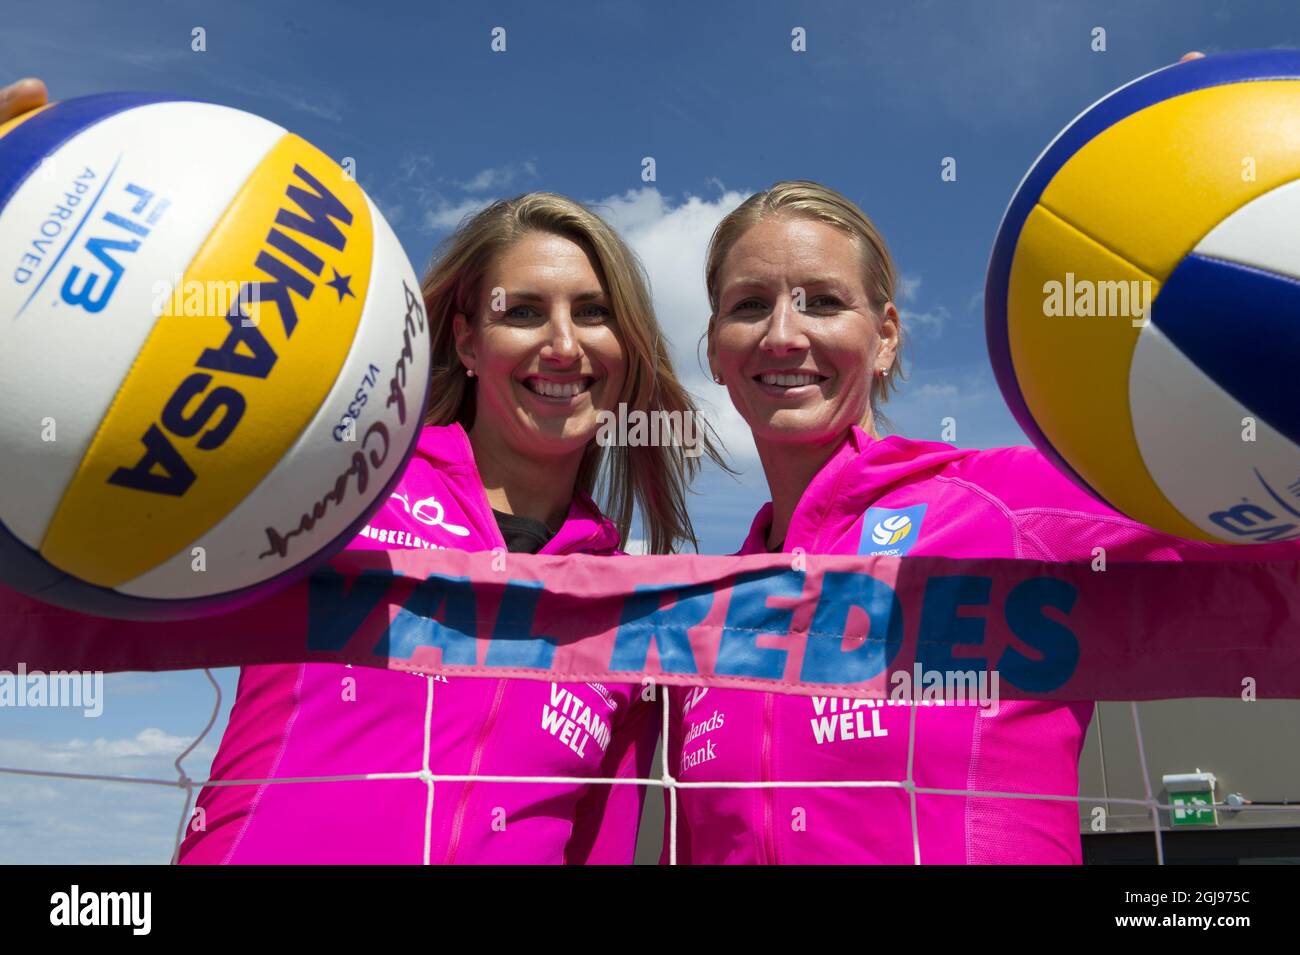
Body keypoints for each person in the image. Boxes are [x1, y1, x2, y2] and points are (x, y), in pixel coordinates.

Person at [0, 78, 723, 863]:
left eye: (592, 312)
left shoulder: (629, 604)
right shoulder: (339, 483)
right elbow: (65, 591)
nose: (562, 343)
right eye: (521, 311)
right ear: (469, 341)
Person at [668, 178, 1298, 864]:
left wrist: (1243, 218)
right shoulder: (708, 611)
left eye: (822, 301)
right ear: (716, 353)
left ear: (883, 339)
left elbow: (1270, 534)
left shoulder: (1011, 503)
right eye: (750, 305)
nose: (783, 334)